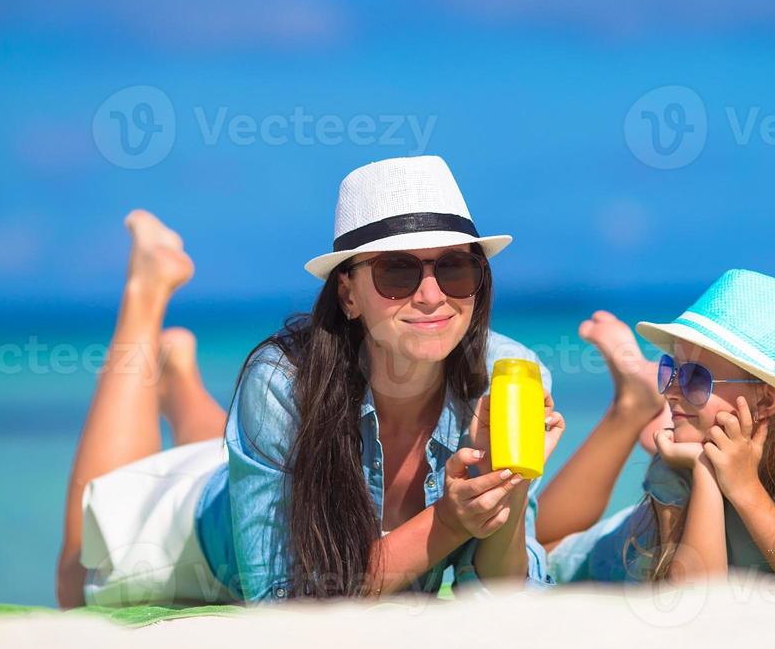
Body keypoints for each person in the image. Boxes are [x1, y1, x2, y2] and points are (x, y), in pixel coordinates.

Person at [55, 156, 562, 607]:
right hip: (201, 528)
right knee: (75, 580)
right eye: (397, 273)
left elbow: (507, 597)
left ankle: (179, 374)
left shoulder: (509, 376)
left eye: (454, 269)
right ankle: (147, 290)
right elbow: (281, 601)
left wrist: (509, 484)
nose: (431, 296)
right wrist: (448, 523)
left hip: (269, 461)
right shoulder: (281, 381)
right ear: (348, 293)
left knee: (224, 445)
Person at [536, 269, 775, 583]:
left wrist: (744, 486)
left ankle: (637, 400)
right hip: (604, 562)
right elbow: (697, 600)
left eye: (695, 377)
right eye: (670, 369)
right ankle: (630, 408)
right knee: (538, 548)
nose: (669, 389)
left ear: (768, 401)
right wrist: (704, 470)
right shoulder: (676, 461)